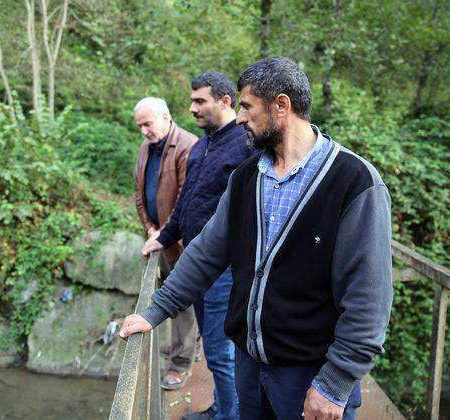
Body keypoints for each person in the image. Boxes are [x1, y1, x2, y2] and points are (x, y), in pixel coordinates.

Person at [120, 56, 393, 420]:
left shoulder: (355, 182)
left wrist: (335, 383)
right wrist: (154, 312)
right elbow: (206, 252)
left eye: (247, 106)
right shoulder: (248, 174)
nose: (242, 117)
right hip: (250, 368)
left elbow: (368, 297)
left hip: (310, 375)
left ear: (281, 106)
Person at [141, 72, 253, 420]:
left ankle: (229, 416)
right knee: (213, 347)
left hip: (226, 268)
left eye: (200, 101)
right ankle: (221, 408)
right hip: (199, 263)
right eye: (191, 101)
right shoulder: (203, 145)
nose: (191, 108)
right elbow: (187, 203)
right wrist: (162, 236)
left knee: (220, 352)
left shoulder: (245, 144)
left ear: (225, 101)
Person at [133, 96, 199, 390]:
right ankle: (178, 344)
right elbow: (138, 191)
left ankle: (182, 362)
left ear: (165, 117)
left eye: (147, 123)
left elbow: (187, 199)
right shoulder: (146, 148)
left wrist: (164, 233)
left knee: (182, 301)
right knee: (167, 295)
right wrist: (150, 229)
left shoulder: (188, 145)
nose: (144, 130)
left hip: (182, 241)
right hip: (158, 238)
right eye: (140, 126)